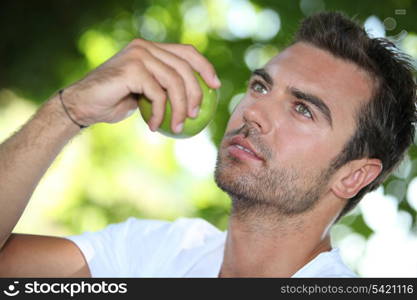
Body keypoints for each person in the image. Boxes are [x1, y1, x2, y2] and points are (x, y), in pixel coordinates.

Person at [0, 11, 415, 278]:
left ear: (353, 175)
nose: (253, 112)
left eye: (303, 110)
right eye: (260, 86)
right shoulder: (157, 253)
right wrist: (70, 111)